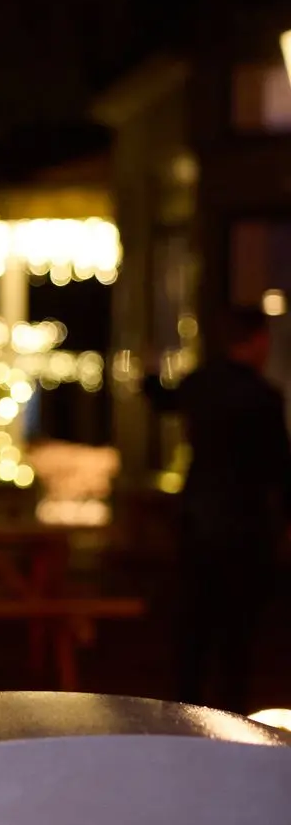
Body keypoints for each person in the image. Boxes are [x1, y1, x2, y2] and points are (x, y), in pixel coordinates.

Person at [146, 305, 291, 712]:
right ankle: (231, 712)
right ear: (258, 340)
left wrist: (149, 370)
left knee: (194, 621)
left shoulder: (201, 384)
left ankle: (185, 709)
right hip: (245, 521)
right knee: (237, 628)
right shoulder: (262, 396)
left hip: (199, 516)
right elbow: (280, 465)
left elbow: (161, 400)